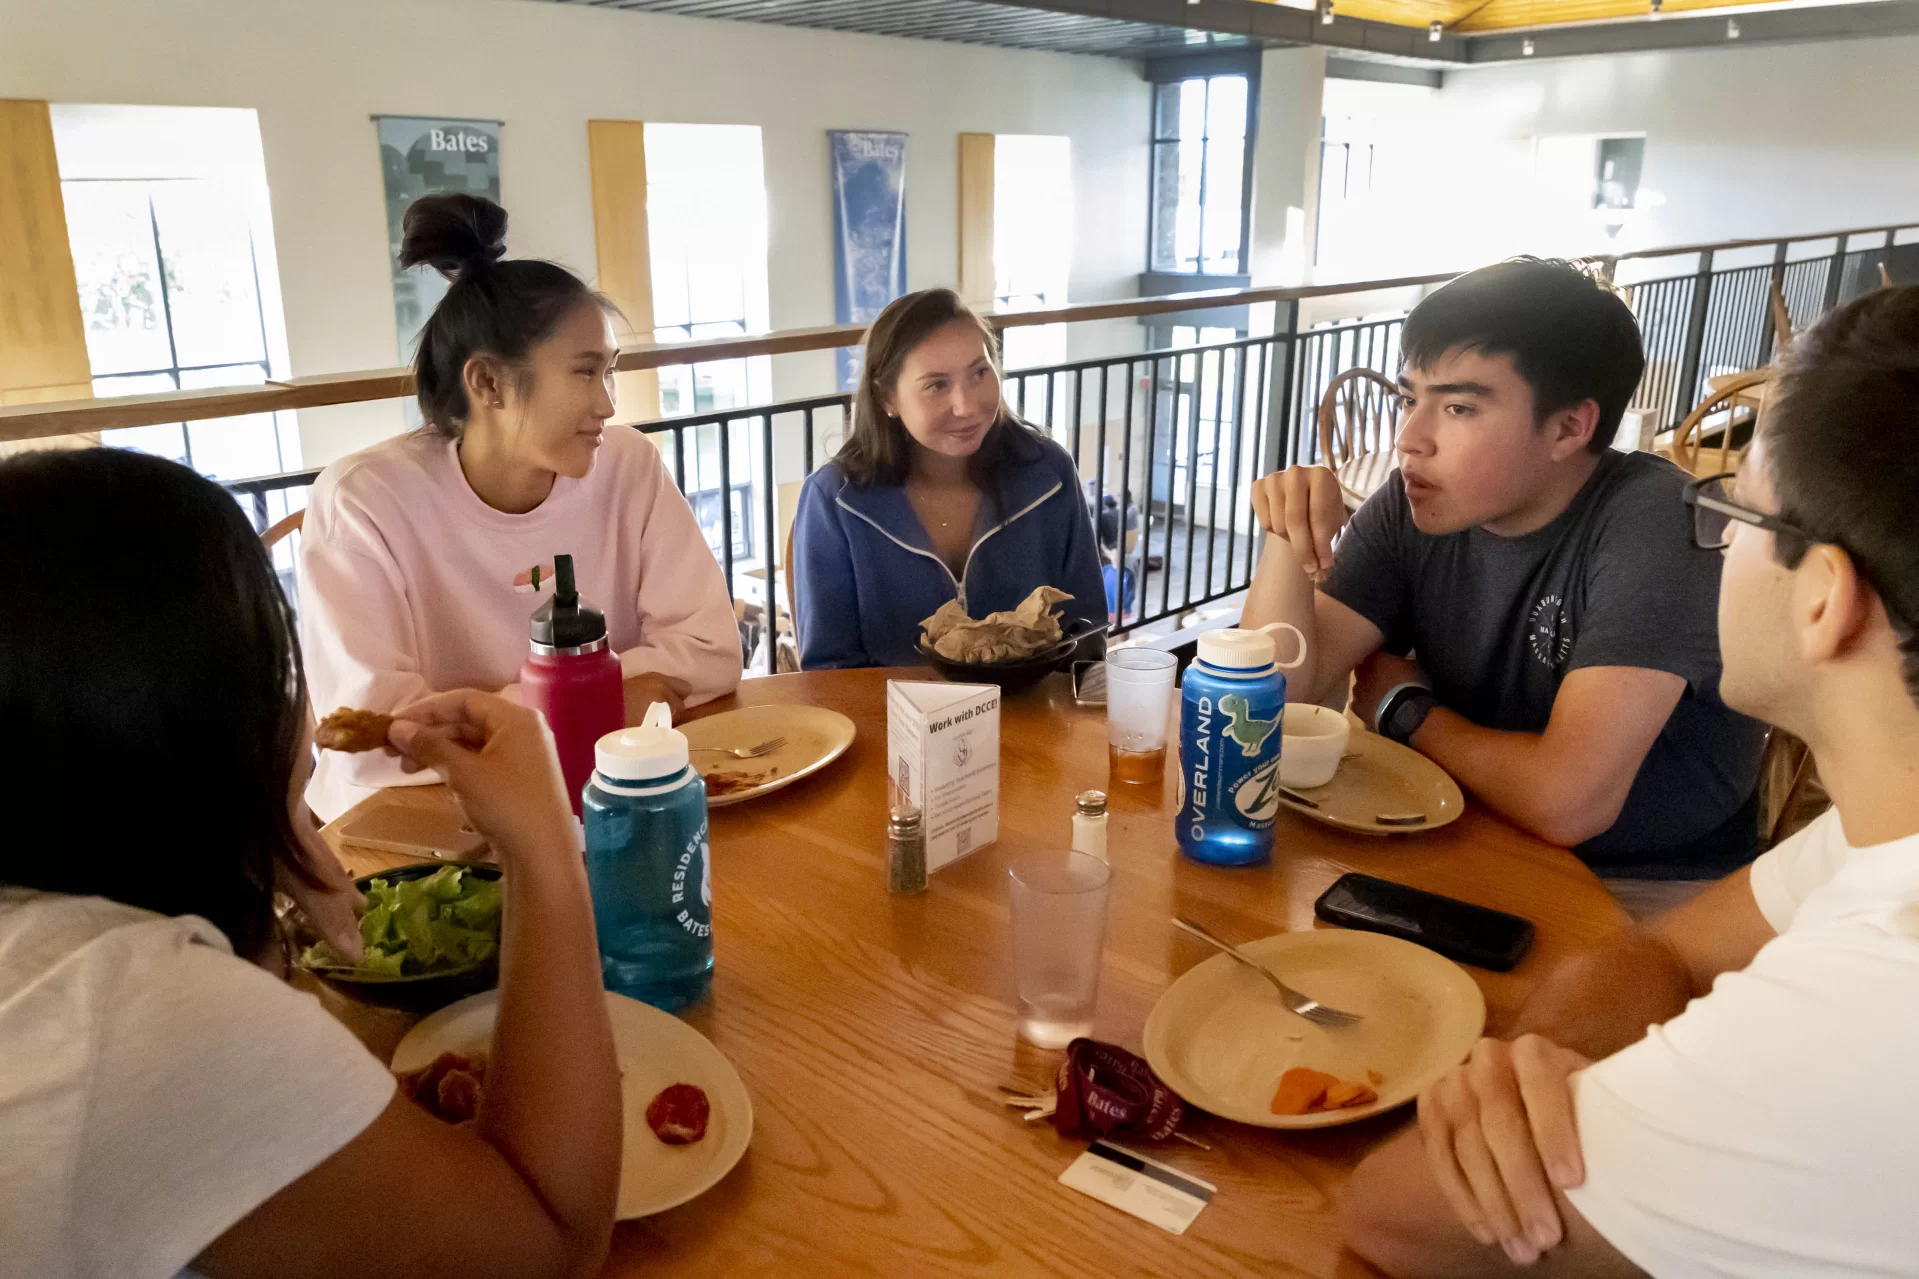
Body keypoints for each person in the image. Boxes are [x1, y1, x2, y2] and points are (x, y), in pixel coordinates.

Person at [1341, 285, 1919, 1276]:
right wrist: (1519, 1066)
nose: (1719, 540)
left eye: (1734, 509)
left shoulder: (1867, 1007)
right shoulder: (1872, 837)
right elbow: (1666, 955)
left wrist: (1507, 1102)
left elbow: (1387, 1213)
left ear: (1823, 599)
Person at [0, 448, 621, 1278]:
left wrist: (263, 849)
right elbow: (552, 1242)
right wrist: (544, 845)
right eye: (279, 662)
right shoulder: (132, 1016)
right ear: (204, 715)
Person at [1241, 259, 1765, 901]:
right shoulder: (1416, 503)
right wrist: (1286, 536)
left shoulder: (1656, 525)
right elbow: (1263, 702)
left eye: (1459, 407)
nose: (1410, 439)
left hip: (1647, 884)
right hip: (1462, 830)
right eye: (1411, 399)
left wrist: (1404, 710)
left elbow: (1567, 802)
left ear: (1570, 427)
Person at [300, 193, 740, 821]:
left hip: (603, 792)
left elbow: (712, 650)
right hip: (416, 823)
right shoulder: (364, 502)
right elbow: (379, 741)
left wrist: (491, 714)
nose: (609, 405)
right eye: (585, 374)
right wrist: (599, 697)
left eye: (610, 372)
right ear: (487, 384)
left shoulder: (628, 465)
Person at [791, 288, 1106, 668]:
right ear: (887, 398)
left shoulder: (1048, 472)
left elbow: (1086, 634)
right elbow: (830, 671)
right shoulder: (834, 500)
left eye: (979, 372)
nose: (968, 406)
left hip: (1033, 718)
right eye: (936, 385)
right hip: (895, 723)